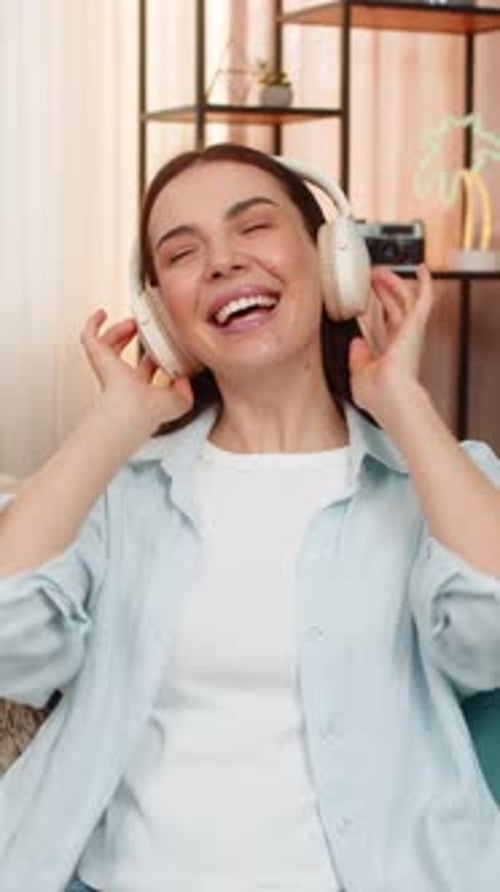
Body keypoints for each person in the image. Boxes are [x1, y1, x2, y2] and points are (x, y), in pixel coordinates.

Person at [0, 142, 499, 892]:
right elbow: (10, 642)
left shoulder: (437, 477)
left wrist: (403, 402)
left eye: (254, 227)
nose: (224, 262)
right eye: (182, 252)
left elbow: (491, 640)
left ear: (334, 260)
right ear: (160, 312)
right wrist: (114, 422)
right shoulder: (116, 489)